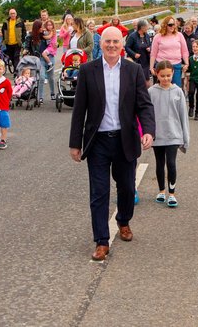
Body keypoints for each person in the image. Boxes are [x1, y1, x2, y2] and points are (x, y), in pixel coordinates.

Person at [69, 26, 156, 262]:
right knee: (99, 193)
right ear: (101, 44)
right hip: (97, 141)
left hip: (124, 140)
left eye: (116, 41)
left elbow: (144, 105)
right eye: (107, 41)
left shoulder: (133, 70)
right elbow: (79, 110)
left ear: (122, 43)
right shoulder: (88, 70)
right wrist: (75, 143)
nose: (111, 45)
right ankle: (101, 241)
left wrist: (148, 130)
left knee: (127, 188)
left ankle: (124, 220)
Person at [148, 60, 191, 208]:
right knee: (159, 163)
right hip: (157, 135)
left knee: (171, 163)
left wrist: (185, 139)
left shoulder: (178, 91)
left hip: (174, 134)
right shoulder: (151, 92)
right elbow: (147, 115)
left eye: (168, 75)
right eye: (162, 76)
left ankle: (172, 194)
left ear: (173, 73)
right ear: (156, 74)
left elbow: (183, 117)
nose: (166, 79)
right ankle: (161, 191)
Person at [150, 15, 189, 88]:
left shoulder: (179, 35)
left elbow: (184, 51)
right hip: (162, 66)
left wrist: (186, 63)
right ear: (165, 25)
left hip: (176, 65)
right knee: (162, 88)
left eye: (174, 24)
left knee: (176, 88)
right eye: (170, 25)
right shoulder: (158, 37)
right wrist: (151, 67)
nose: (172, 26)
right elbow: (153, 54)